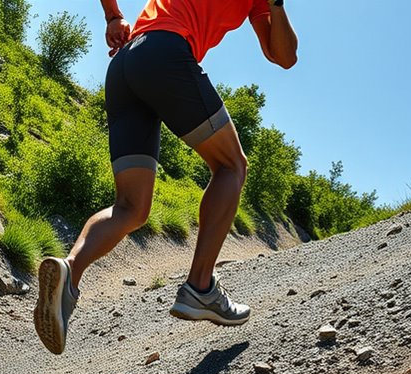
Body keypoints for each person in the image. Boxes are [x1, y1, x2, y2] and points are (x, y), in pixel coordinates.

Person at [34, 0, 298, 355]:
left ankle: (69, 273)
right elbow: (285, 59)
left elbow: (282, 54)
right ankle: (201, 287)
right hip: (163, 53)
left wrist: (113, 15)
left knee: (130, 207)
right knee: (231, 166)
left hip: (126, 63)